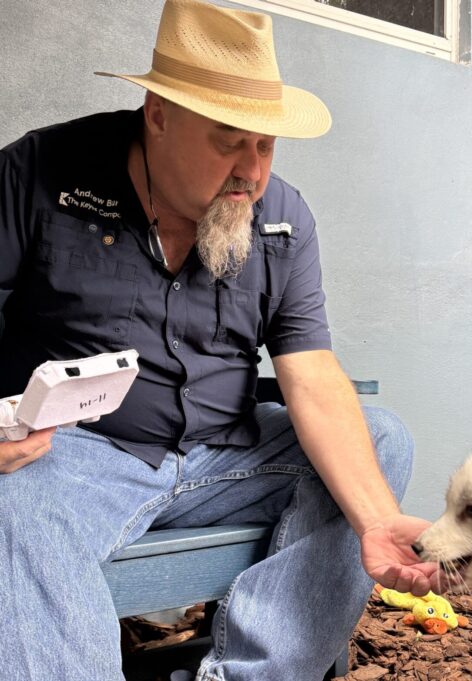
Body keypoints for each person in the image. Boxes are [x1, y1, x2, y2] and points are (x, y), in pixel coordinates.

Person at [0, 1, 441, 680]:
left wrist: (378, 520)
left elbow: (312, 372)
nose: (252, 171)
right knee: (12, 497)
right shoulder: (41, 172)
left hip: (225, 459)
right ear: (158, 114)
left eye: (266, 144)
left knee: (382, 436)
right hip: (76, 457)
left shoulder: (283, 217)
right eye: (229, 139)